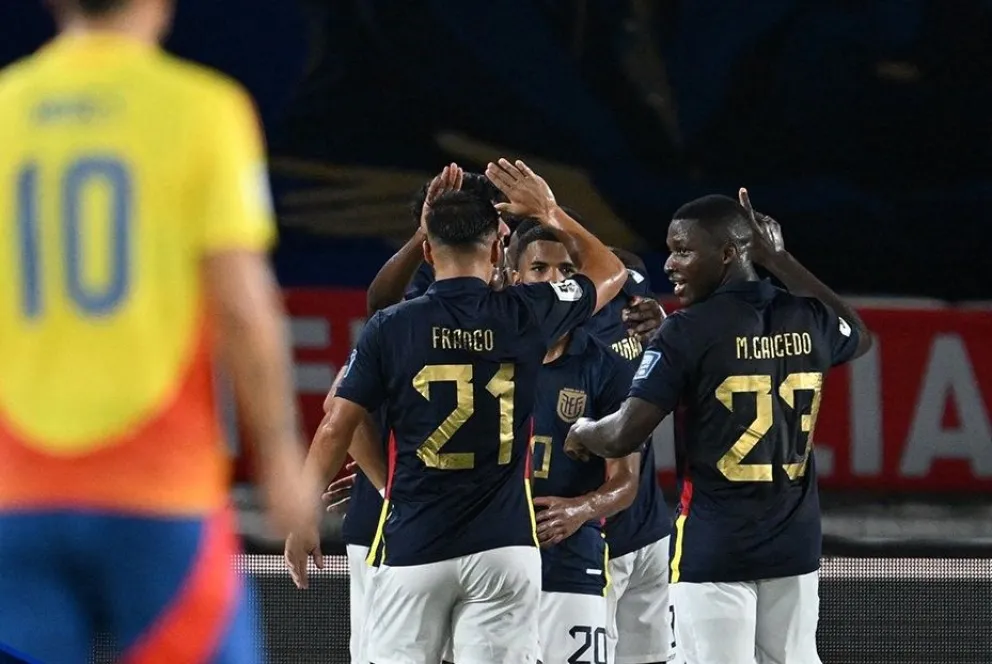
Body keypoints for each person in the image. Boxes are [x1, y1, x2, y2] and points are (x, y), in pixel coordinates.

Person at [0, 1, 317, 662]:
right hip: (157, 491)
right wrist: (281, 462)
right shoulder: (202, 109)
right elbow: (242, 305)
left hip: (19, 493)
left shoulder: (7, 109)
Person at [286, 159, 628, 663]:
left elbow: (337, 421)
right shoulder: (527, 312)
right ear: (498, 248)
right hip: (504, 547)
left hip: (415, 544)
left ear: (427, 248)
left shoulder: (394, 326)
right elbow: (611, 271)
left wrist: (301, 516)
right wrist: (550, 209)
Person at [564, 191, 873, 664]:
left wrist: (582, 430)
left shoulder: (687, 331)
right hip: (795, 545)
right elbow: (857, 333)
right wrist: (780, 258)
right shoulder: (806, 318)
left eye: (684, 250)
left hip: (716, 547)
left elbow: (624, 435)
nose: (669, 263)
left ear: (728, 253)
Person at [511, 225, 644, 664]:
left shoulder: (606, 369)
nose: (554, 279)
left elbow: (625, 483)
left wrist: (581, 509)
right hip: (492, 555)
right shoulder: (486, 353)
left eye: (566, 269)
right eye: (539, 268)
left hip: (571, 557)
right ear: (513, 278)